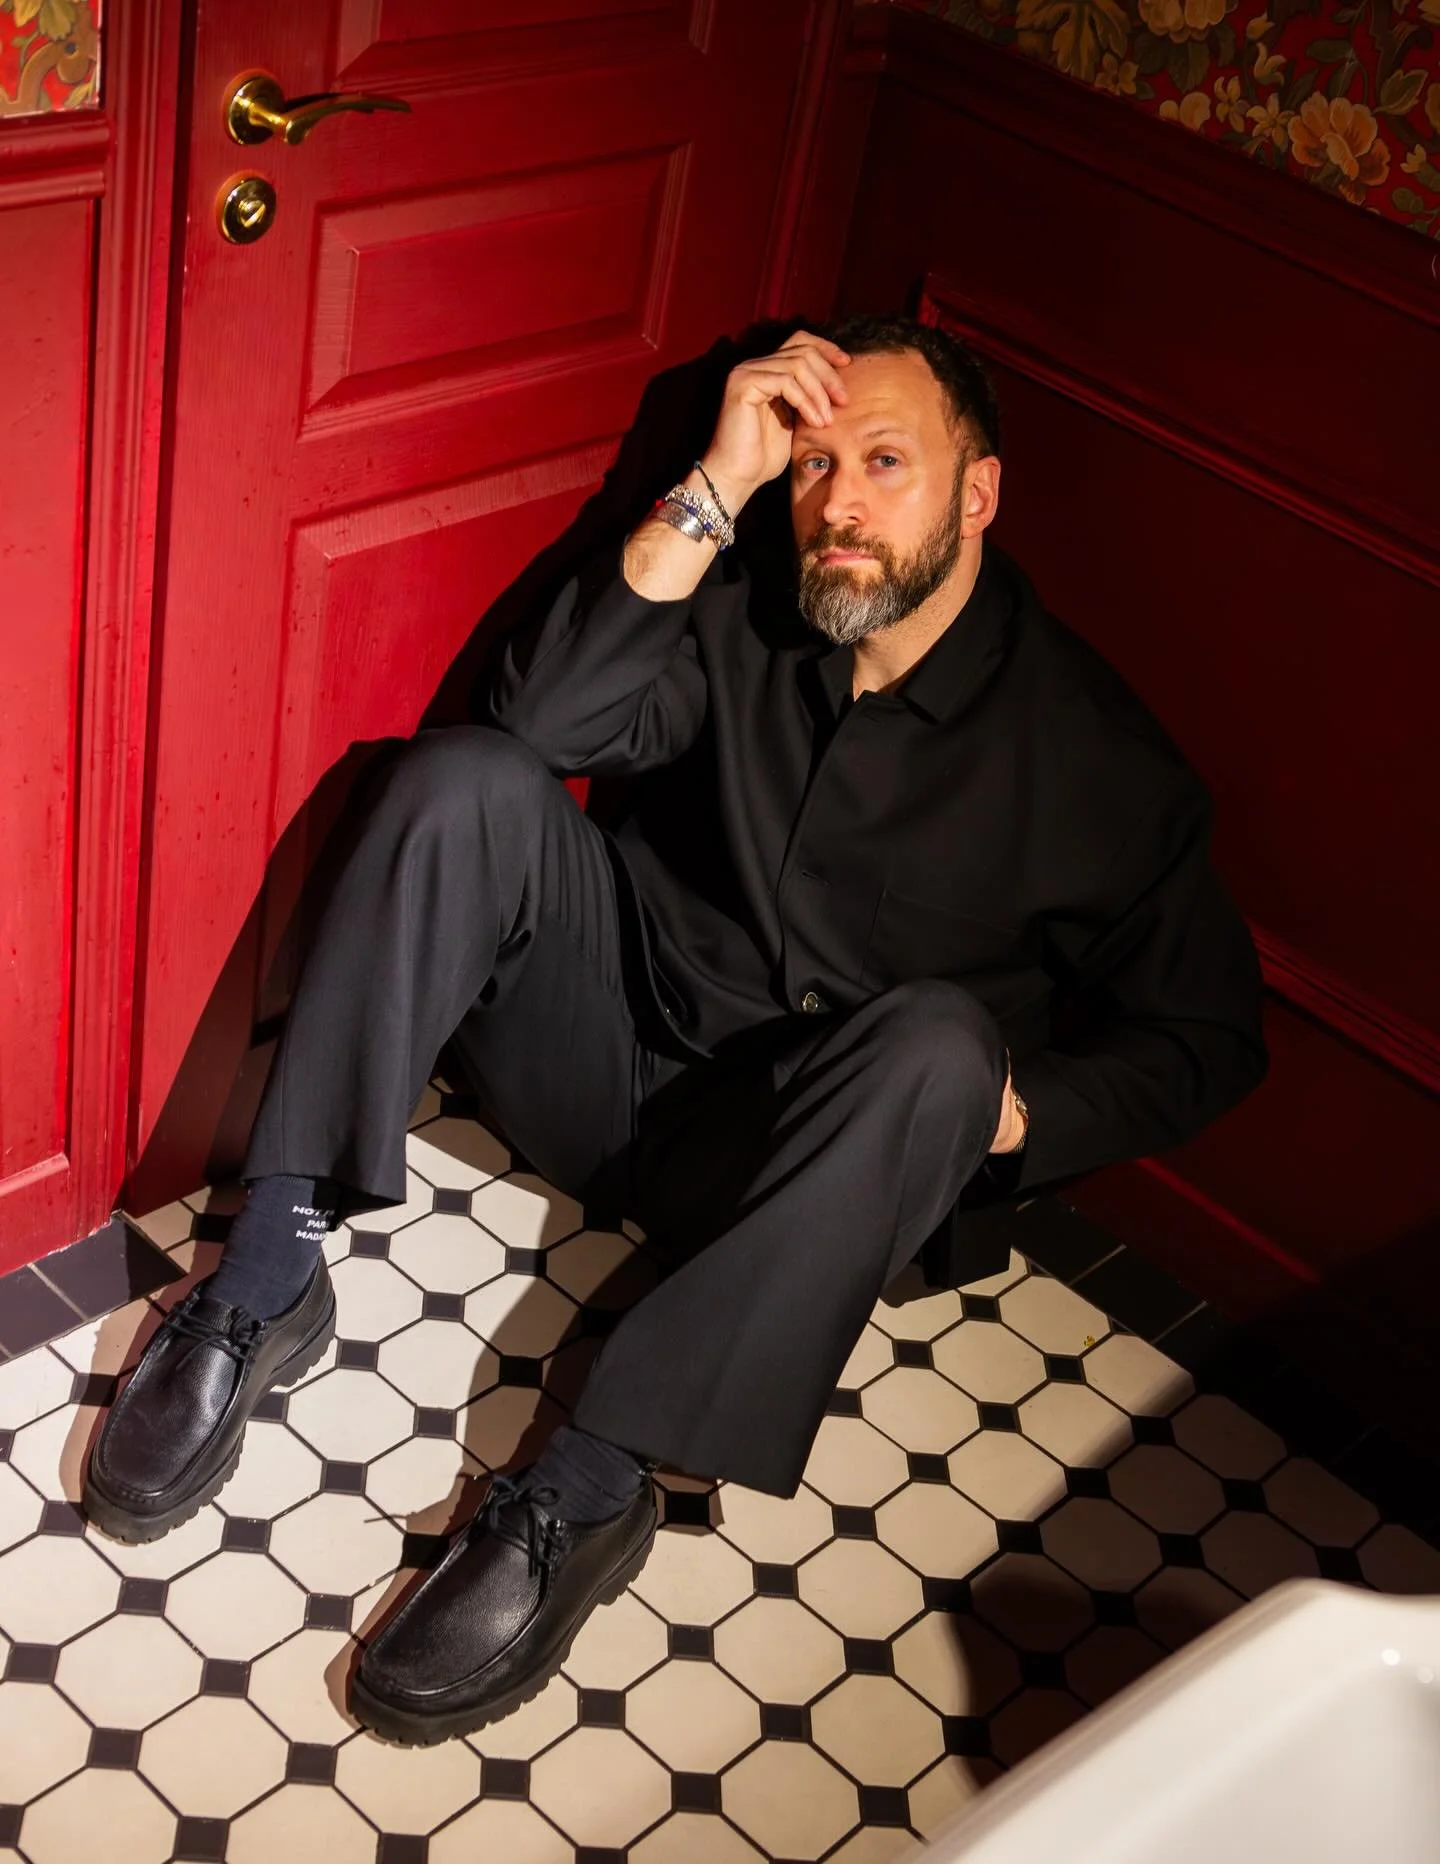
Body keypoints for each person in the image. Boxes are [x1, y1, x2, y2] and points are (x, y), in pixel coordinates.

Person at [84, 316, 1267, 1747]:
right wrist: (716, 484)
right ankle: (267, 1269)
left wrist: (999, 1120)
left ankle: (589, 1488)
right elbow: (541, 722)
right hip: (597, 1057)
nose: (836, 502)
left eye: (885, 463)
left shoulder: (1095, 761)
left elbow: (1207, 1037)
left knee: (944, 1046)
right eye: (815, 462)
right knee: (463, 781)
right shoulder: (751, 590)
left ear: (979, 492)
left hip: (783, 1182)